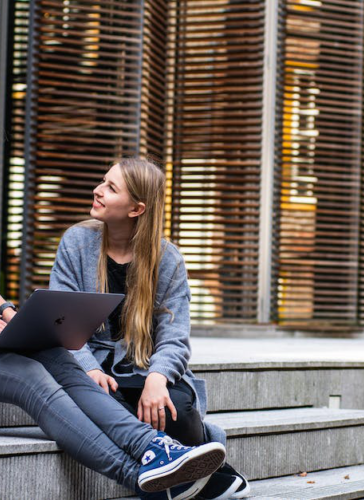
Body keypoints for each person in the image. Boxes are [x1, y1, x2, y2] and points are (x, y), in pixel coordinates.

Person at [0, 60, 225, 500]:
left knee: (59, 358)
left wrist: (5, 310)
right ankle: (139, 477)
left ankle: (154, 448)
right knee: (28, 376)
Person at [49, 157, 250, 499]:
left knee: (175, 408)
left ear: (136, 208)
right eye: (102, 181)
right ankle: (212, 478)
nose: (97, 191)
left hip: (144, 368)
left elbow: (175, 337)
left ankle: (186, 475)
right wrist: (89, 369)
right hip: (93, 368)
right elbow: (60, 319)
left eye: (110, 188)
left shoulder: (167, 258)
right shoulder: (76, 241)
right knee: (103, 404)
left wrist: (158, 378)